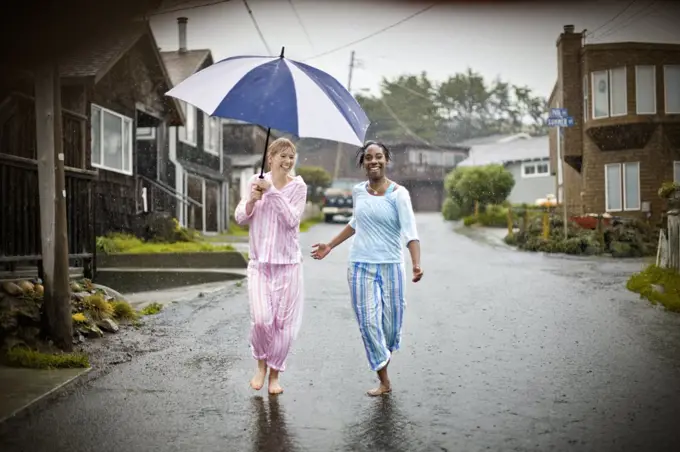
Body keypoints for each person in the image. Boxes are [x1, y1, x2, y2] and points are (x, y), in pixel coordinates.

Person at [311, 141, 423, 397]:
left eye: (379, 157)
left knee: (391, 325)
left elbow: (410, 230)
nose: (374, 161)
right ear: (363, 163)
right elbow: (355, 223)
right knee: (368, 322)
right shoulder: (358, 191)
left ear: (386, 160)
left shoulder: (399, 194)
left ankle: (382, 356)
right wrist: (330, 245)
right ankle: (384, 379)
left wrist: (416, 263)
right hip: (360, 265)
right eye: (369, 158)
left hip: (392, 265)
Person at [234, 137, 307, 395]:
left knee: (283, 326)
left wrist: (272, 193)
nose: (287, 162)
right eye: (282, 156)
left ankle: (275, 374)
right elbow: (240, 217)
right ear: (271, 158)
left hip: (288, 265)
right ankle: (260, 364)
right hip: (259, 265)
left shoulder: (299, 187)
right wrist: (253, 199)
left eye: (291, 157)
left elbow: (291, 220)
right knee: (262, 321)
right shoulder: (256, 181)